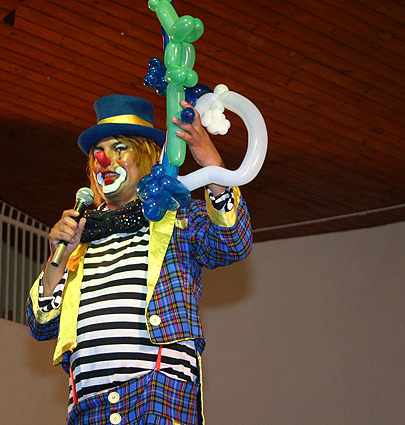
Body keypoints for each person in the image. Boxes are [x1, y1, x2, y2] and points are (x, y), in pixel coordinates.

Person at [26, 94, 252, 425]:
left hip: (157, 395)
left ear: (146, 156)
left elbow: (232, 242)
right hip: (89, 407)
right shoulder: (82, 239)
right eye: (98, 151)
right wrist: (57, 260)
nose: (104, 159)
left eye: (119, 148)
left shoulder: (176, 218)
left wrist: (210, 162)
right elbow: (41, 324)